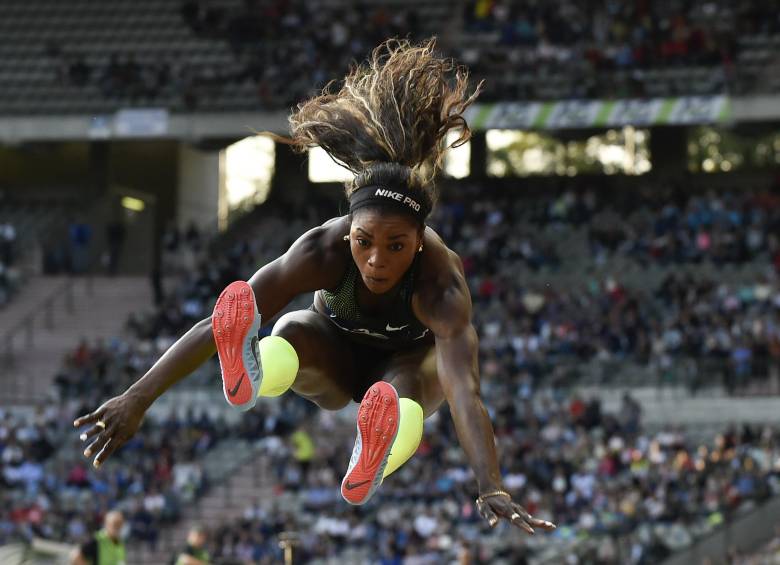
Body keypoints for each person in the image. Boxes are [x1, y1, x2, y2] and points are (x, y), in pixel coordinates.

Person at [74, 38, 556, 535]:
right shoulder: (321, 251)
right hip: (332, 356)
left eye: (396, 246)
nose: (376, 259)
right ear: (348, 231)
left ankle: (374, 457)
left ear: (418, 242)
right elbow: (215, 324)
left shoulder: (439, 282)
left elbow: (463, 390)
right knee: (293, 326)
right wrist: (136, 398)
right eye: (365, 241)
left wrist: (490, 483)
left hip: (405, 365)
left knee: (406, 385)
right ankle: (256, 371)